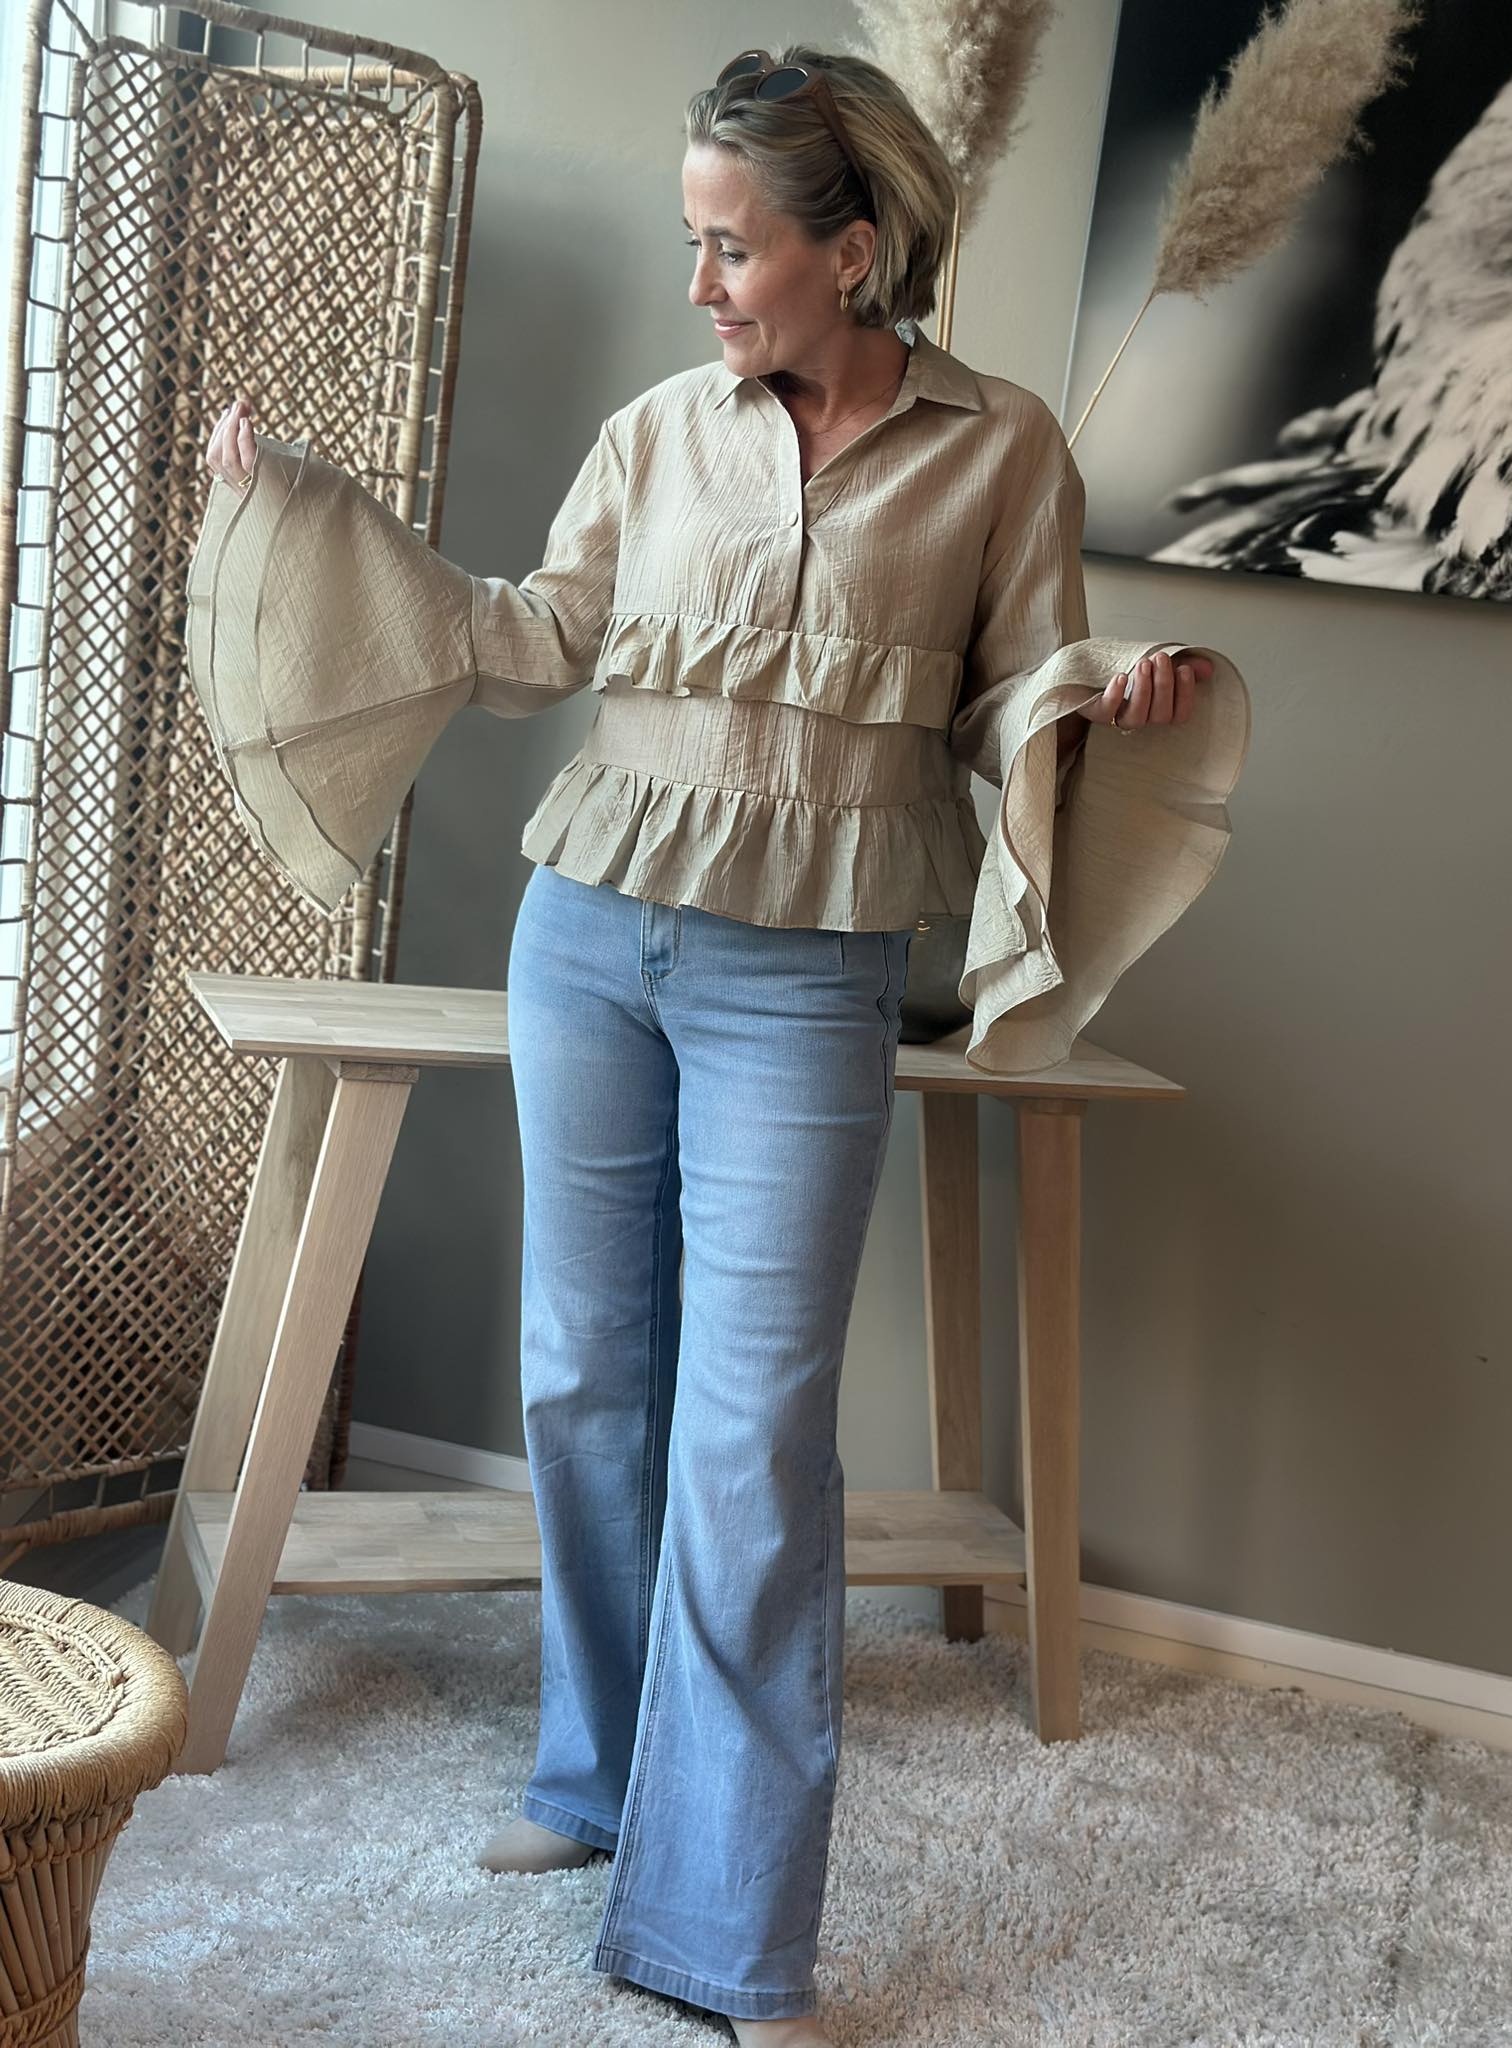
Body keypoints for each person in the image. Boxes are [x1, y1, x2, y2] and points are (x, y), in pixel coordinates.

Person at [202, 44, 1230, 2047]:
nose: (701, 284)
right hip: (591, 933)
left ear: (852, 250)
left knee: (753, 1435)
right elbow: (525, 637)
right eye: (693, 241)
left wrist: (1109, 689)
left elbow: (1012, 696)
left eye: (732, 247)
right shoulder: (659, 432)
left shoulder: (1000, 449)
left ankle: (730, 1929)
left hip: (810, 970)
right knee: (586, 1378)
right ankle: (595, 1774)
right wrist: (302, 511)